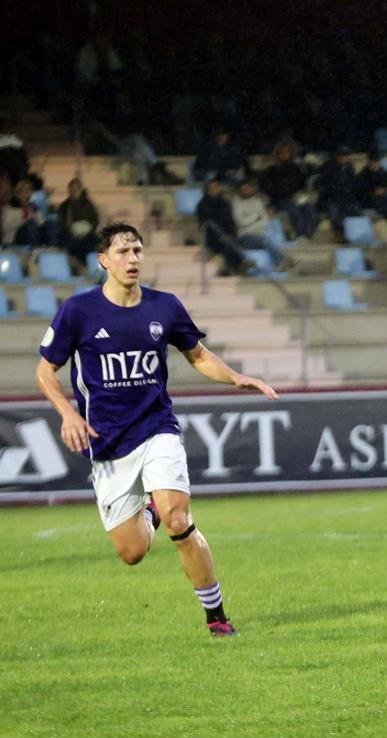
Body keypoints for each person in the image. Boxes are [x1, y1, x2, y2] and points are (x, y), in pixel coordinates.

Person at [33, 223, 279, 636]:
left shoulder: (164, 307)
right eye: (123, 251)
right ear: (103, 261)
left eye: (138, 250)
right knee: (132, 552)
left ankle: (217, 618)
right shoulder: (79, 311)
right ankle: (149, 511)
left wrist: (234, 376)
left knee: (179, 516)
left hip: (156, 427)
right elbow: (45, 371)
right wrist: (68, 414)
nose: (132, 259)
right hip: (107, 442)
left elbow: (197, 355)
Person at [56, 178, 101, 267]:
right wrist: (72, 230)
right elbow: (62, 223)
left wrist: (87, 228)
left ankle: (90, 266)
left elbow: (95, 220)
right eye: (72, 189)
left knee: (93, 241)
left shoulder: (88, 204)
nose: (75, 191)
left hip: (86, 233)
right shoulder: (64, 206)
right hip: (70, 234)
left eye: (77, 188)